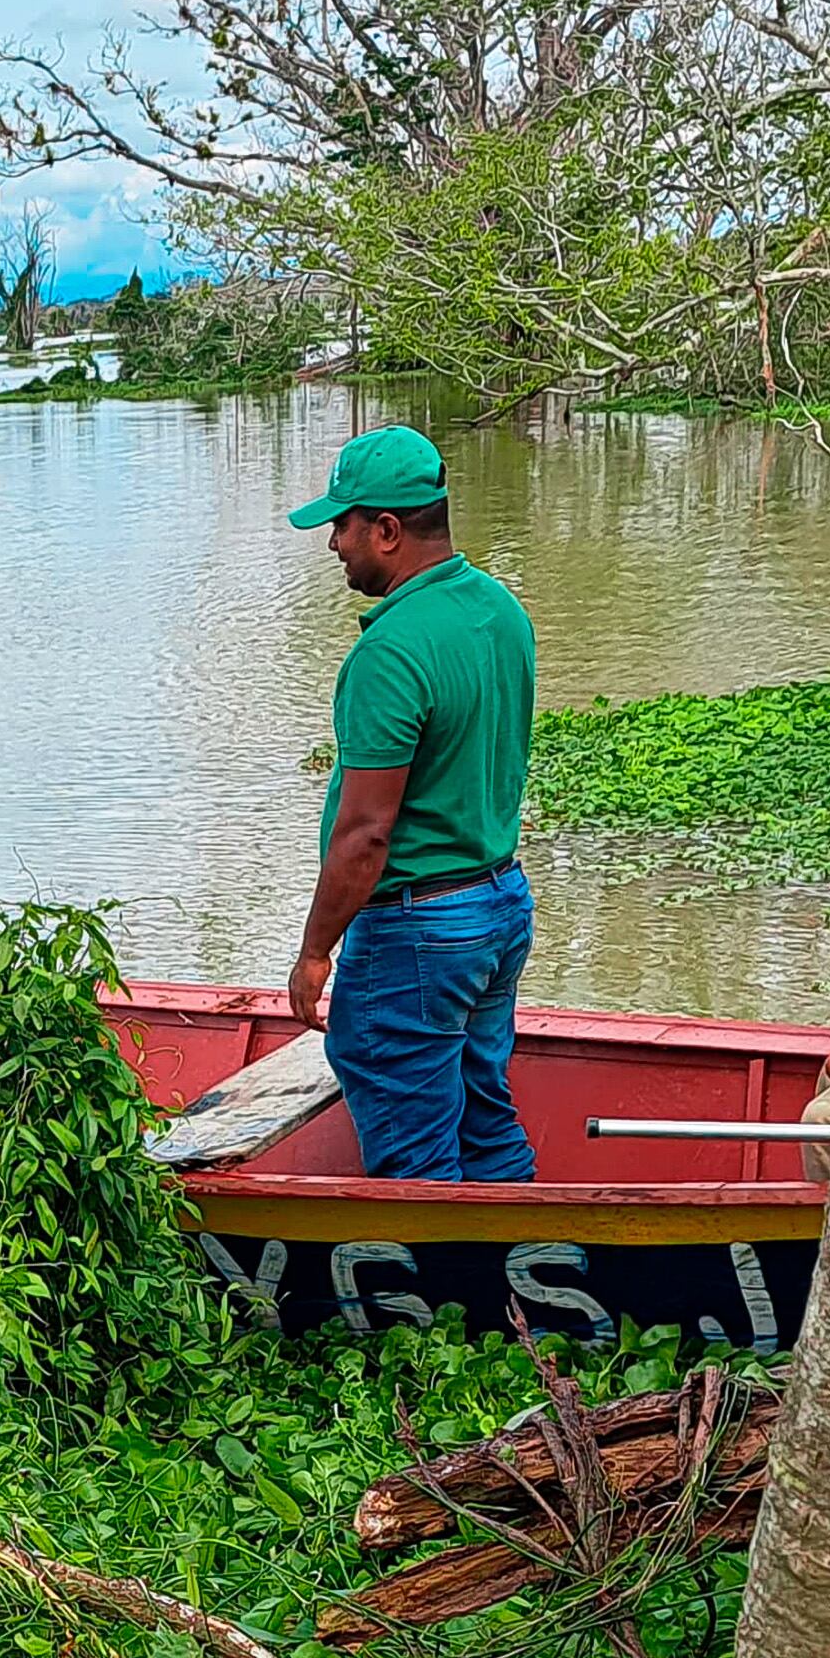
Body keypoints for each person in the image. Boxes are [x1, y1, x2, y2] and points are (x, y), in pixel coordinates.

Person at [282, 425, 541, 1183]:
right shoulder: (500, 611)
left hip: (420, 930)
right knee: (485, 1115)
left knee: (413, 1155)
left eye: (343, 524)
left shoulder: (389, 654)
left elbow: (365, 835)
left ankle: (438, 1300)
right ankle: (525, 1281)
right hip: (499, 907)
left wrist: (313, 952)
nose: (334, 544)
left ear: (388, 530)